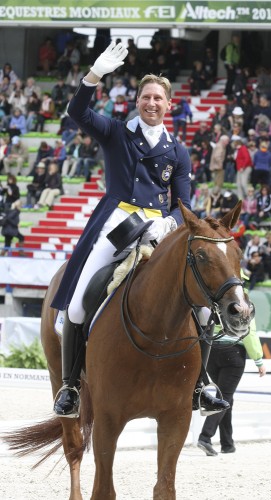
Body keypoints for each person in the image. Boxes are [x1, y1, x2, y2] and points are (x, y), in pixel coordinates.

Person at [50, 41, 229, 418]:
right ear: (137, 101)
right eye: (146, 97)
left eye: (158, 99)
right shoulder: (116, 132)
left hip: (160, 225)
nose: (151, 103)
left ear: (168, 105)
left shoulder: (177, 151)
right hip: (117, 221)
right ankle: (69, 387)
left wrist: (170, 222)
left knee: (200, 308)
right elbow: (76, 111)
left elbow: (184, 204)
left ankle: (202, 384)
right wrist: (94, 74)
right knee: (81, 300)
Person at [197, 317, 266, 456]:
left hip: (212, 351)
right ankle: (205, 437)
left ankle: (227, 444)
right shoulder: (244, 305)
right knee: (225, 397)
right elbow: (249, 333)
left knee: (225, 396)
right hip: (233, 351)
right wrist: (258, 360)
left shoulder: (215, 301)